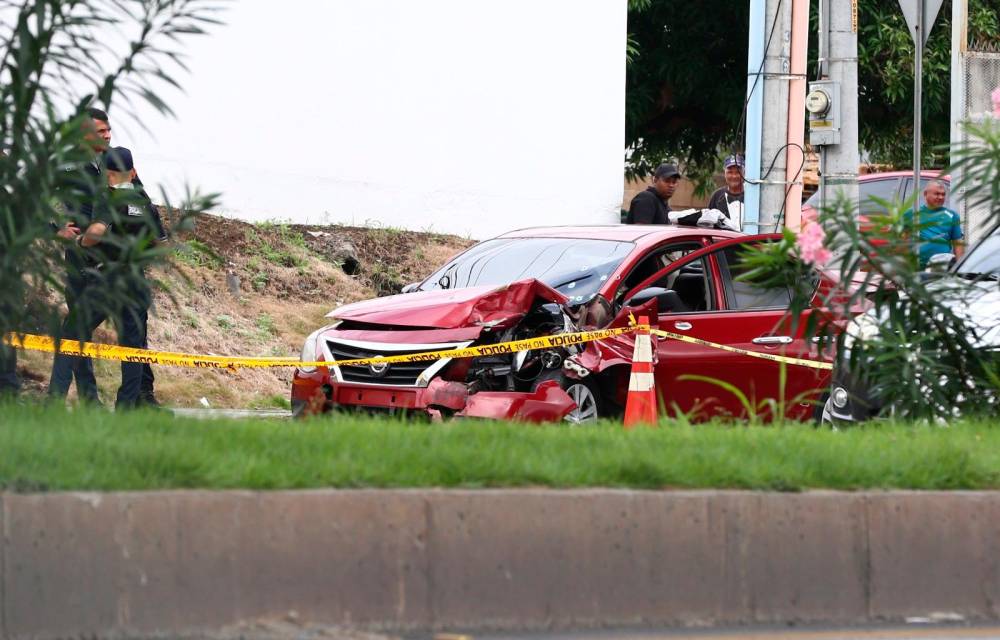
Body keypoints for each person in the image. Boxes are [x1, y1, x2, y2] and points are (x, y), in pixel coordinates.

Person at [49, 146, 166, 409]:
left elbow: (98, 231)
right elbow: (160, 242)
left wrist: (82, 241)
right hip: (135, 281)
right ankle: (126, 408)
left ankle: (53, 402)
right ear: (133, 172)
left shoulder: (108, 198)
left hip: (107, 280)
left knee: (72, 334)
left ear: (107, 175)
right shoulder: (143, 200)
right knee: (132, 349)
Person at [902, 180, 964, 268]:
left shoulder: (952, 215)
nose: (941, 197)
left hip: (942, 269)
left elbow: (958, 244)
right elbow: (902, 241)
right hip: (916, 269)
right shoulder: (911, 213)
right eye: (937, 194)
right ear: (925, 194)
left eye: (943, 194)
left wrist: (960, 268)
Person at [707, 154, 745, 230]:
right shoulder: (717, 196)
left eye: (738, 172)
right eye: (730, 172)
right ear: (725, 173)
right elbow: (708, 225)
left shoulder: (753, 195)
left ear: (744, 172)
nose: (734, 176)